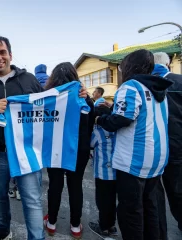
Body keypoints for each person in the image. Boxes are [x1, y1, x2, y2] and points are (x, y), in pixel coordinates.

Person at [0, 36, 88, 240]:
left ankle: (36, 238)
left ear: (10, 54)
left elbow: (51, 106)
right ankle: (4, 232)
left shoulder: (30, 80)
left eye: (2, 52)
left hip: (28, 152)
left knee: (32, 200)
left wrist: (77, 95)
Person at [96, 49, 172, 239]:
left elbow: (121, 120)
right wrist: (113, 109)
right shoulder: (158, 88)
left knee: (130, 212)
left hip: (134, 161)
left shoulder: (130, 87)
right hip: (158, 158)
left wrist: (100, 119)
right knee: (150, 207)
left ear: (130, 67)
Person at [42, 62, 94, 239]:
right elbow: (91, 121)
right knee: (75, 185)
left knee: (55, 185)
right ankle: (75, 226)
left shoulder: (48, 97)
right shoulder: (83, 97)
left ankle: (51, 222)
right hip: (79, 149)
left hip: (55, 147)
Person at [152, 52, 182, 234]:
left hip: (151, 148)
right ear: (168, 64)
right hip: (176, 147)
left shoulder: (140, 84)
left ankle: (158, 232)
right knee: (177, 190)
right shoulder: (178, 81)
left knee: (154, 195)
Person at [88, 106, 118, 238]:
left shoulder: (98, 132)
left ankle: (103, 227)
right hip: (116, 173)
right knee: (112, 200)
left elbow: (91, 144)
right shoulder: (116, 131)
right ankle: (112, 225)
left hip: (102, 173)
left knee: (102, 200)